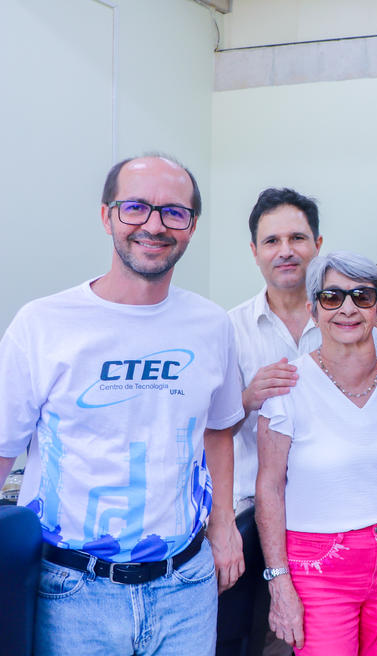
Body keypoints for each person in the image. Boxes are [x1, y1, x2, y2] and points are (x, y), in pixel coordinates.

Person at [0, 155, 245, 655]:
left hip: (185, 587)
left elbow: (218, 430)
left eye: (174, 212)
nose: (154, 225)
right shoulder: (42, 324)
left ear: (192, 226)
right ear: (106, 215)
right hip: (72, 591)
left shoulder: (212, 325)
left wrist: (224, 524)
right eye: (135, 207)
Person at [221, 188, 377, 655]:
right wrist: (248, 398)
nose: (285, 251)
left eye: (297, 238)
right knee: (244, 639)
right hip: (253, 510)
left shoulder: (353, 320)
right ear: (254, 251)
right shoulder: (228, 329)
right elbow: (208, 431)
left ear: (318, 245)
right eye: (272, 241)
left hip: (333, 510)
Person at [255, 251, 377, 655]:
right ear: (313, 310)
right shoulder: (287, 388)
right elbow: (269, 488)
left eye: (362, 296)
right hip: (318, 569)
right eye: (332, 297)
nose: (348, 308)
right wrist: (278, 581)